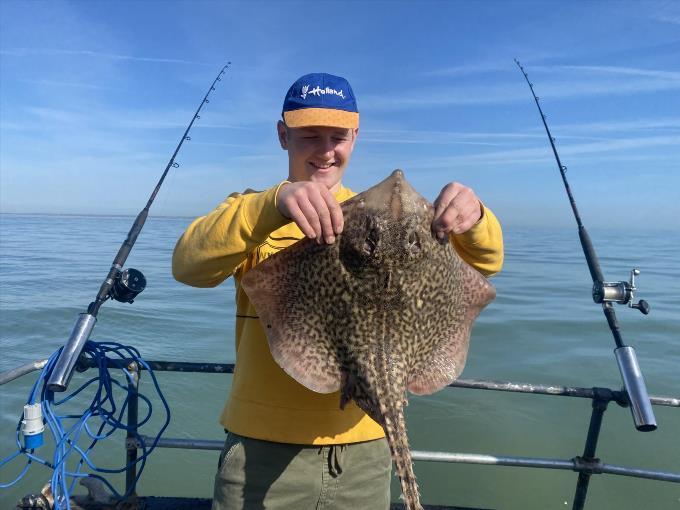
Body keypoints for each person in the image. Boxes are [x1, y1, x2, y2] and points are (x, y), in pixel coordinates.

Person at [172, 72, 504, 510]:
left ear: (355, 136)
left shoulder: (385, 214)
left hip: (364, 451)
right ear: (282, 135)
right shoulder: (254, 211)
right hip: (262, 450)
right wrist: (272, 204)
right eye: (310, 135)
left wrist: (476, 215)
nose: (326, 150)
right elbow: (189, 266)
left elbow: (487, 263)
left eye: (338, 136)